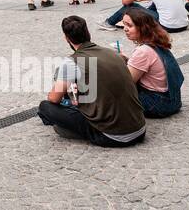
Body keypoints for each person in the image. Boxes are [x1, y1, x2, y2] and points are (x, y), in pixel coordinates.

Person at [37, 15, 146, 146]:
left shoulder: (71, 62)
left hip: (111, 135)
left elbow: (53, 99)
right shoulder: (113, 54)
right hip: (139, 129)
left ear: (66, 38)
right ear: (88, 33)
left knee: (45, 107)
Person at [118, 5, 183, 117]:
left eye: (129, 25)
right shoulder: (156, 41)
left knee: (112, 89)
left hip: (157, 103)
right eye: (124, 24)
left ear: (142, 28)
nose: (125, 29)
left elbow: (127, 82)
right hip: (173, 99)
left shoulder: (143, 51)